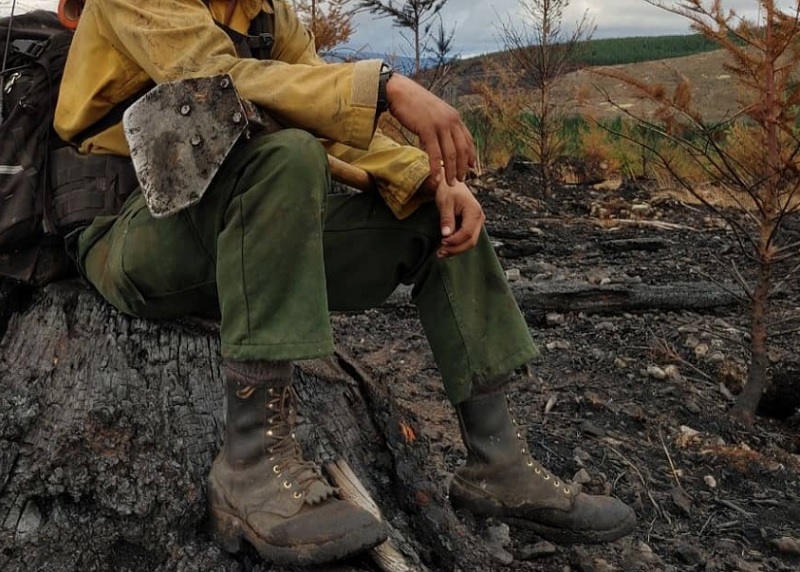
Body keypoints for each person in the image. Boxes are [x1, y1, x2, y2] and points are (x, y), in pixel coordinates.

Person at [53, 0, 636, 566]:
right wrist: (388, 87)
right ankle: (251, 467)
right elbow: (218, 78)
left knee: (436, 213)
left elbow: (316, 104)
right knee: (285, 158)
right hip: (128, 230)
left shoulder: (263, 12)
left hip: (236, 231)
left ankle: (498, 461)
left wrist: (431, 180)